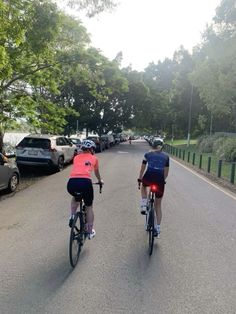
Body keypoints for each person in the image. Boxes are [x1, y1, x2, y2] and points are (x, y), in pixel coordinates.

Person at [67, 139, 103, 240]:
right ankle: (90, 231)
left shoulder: (76, 157)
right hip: (86, 183)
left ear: (82, 148)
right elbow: (96, 173)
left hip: (72, 183)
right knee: (89, 207)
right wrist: (100, 181)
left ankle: (72, 216)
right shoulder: (94, 158)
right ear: (92, 149)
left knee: (75, 196)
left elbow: (79, 168)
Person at [138, 138, 169, 238]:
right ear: (162, 146)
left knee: (143, 187)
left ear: (153, 145)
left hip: (149, 177)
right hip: (159, 180)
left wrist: (140, 177)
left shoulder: (147, 154)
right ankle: (158, 228)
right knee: (158, 205)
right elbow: (166, 172)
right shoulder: (166, 156)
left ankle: (143, 204)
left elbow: (142, 167)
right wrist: (162, 180)